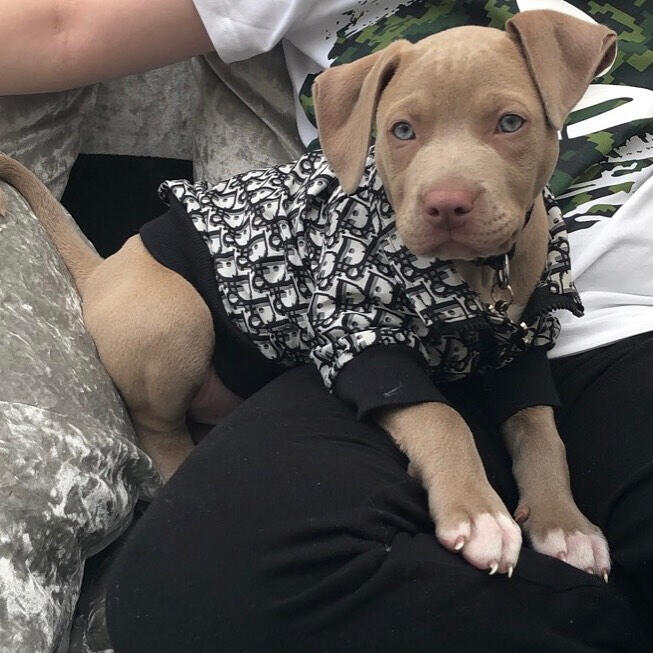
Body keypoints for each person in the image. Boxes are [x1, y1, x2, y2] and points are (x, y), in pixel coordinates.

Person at [2, 1, 652, 650]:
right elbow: (359, 339)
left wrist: (548, 487)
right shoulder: (362, 229)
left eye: (506, 123)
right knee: (200, 578)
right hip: (192, 298)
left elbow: (517, 332)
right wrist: (454, 469)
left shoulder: (541, 229)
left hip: (620, 326)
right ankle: (161, 431)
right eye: (403, 131)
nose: (446, 190)